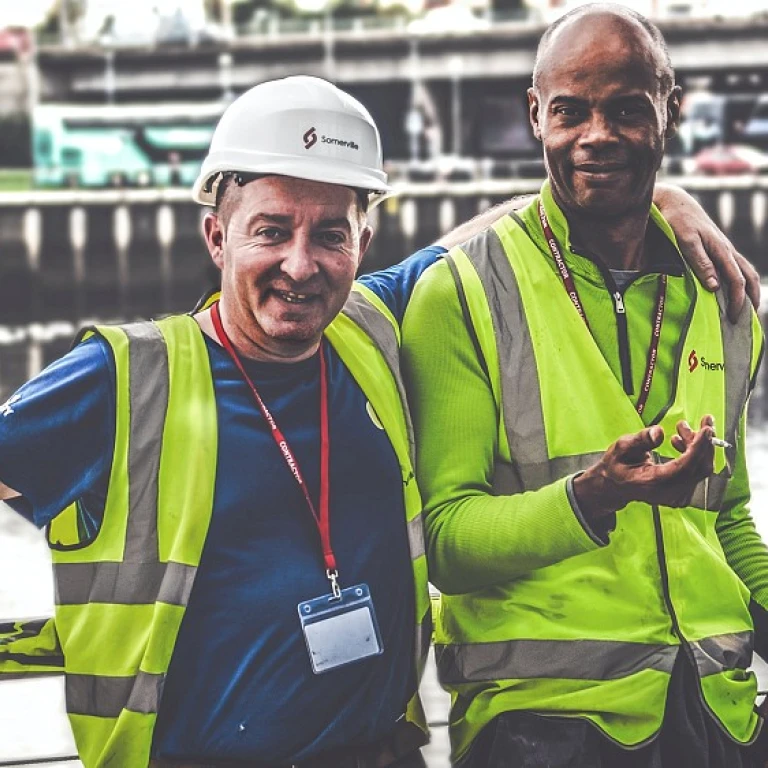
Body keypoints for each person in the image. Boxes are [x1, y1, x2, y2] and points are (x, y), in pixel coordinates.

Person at [0, 73, 757, 768]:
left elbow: (501, 232)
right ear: (217, 237)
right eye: (270, 230)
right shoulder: (126, 379)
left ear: (362, 244)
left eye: (330, 233)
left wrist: (656, 197)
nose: (302, 264)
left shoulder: (371, 330)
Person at [401, 5, 768, 768]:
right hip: (543, 727)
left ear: (671, 111)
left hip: (717, 715)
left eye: (628, 110)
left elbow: (727, 516)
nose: (597, 135)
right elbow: (447, 543)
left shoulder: (724, 297)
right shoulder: (463, 292)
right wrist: (593, 496)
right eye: (571, 111)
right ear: (536, 115)